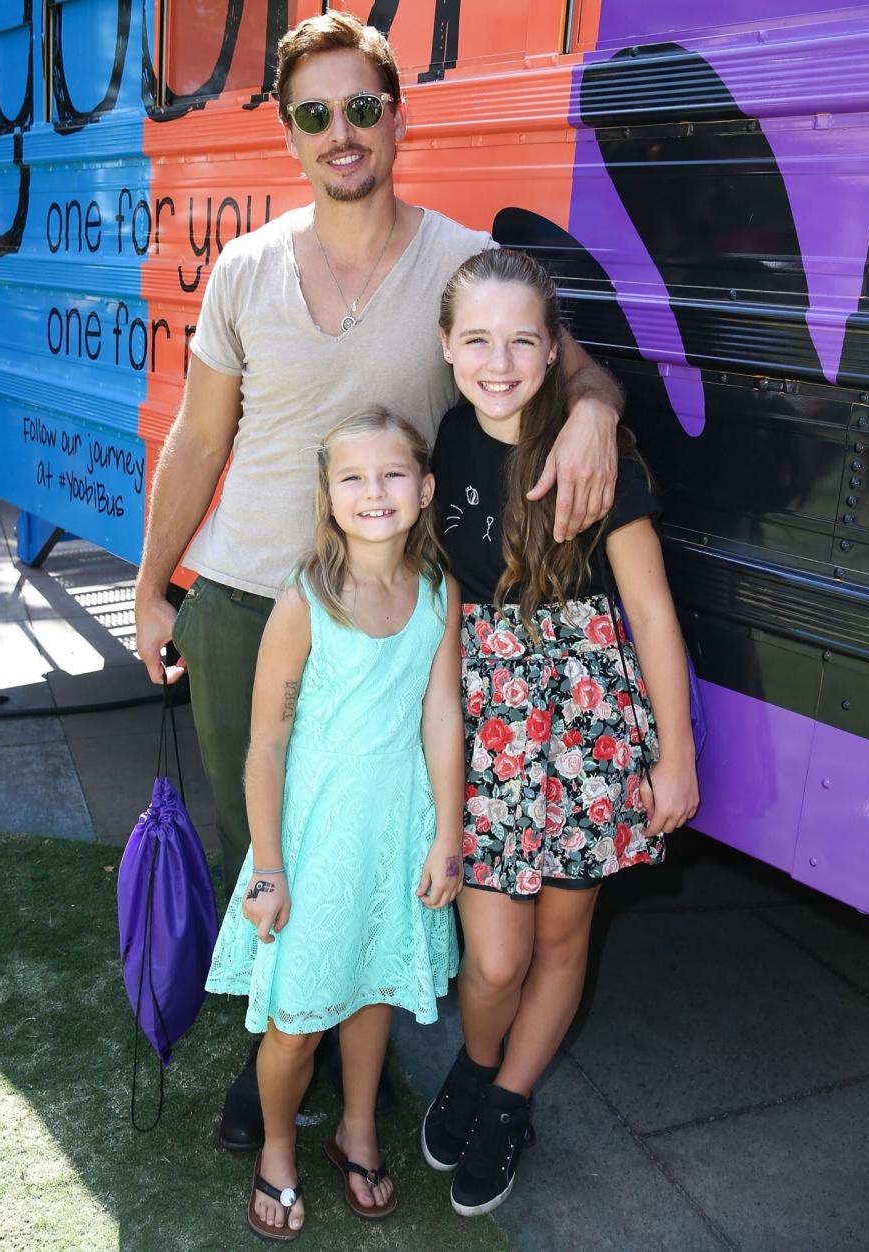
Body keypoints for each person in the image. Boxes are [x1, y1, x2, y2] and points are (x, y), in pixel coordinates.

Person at [134, 11, 625, 1151]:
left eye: (362, 107)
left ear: (397, 118)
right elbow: (199, 444)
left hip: (390, 616)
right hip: (248, 599)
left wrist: (595, 410)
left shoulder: (459, 261)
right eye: (315, 113)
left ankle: (342, 1048)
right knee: (264, 841)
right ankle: (282, 1050)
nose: (340, 131)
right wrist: (157, 583)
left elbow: (572, 361)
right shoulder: (247, 268)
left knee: (369, 839)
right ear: (288, 135)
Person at [421, 249, 700, 1215]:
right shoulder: (445, 445)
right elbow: (442, 606)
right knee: (494, 957)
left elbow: (653, 613)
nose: (499, 361)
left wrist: (678, 754)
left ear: (553, 352)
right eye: (478, 340)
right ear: (448, 347)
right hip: (490, 729)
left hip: (587, 728)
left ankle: (505, 1101)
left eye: (522, 341)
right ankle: (478, 1056)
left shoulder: (595, 454)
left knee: (561, 938)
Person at [205, 408, 464, 1240]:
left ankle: (357, 1131)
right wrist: (270, 865)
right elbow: (267, 742)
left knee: (374, 989)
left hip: (395, 834)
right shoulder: (304, 600)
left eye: (391, 475)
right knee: (296, 1020)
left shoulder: (437, 593)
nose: (373, 493)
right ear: (327, 494)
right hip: (314, 840)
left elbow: (442, 716)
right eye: (352, 477)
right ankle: (277, 1148)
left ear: (424, 491)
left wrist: (449, 834)